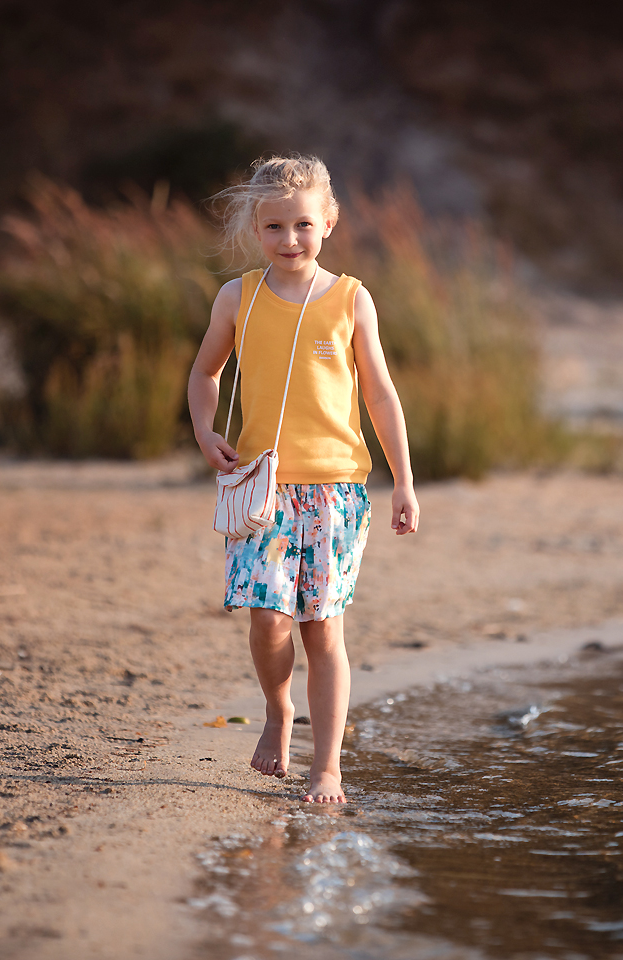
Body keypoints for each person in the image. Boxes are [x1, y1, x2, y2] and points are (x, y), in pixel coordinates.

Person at [188, 155, 419, 804]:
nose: (290, 239)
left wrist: (403, 481)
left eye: (303, 225)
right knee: (268, 621)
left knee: (322, 631)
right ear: (255, 229)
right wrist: (204, 430)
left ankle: (327, 769)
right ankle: (277, 708)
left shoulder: (351, 299)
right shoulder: (237, 297)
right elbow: (204, 373)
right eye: (274, 227)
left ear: (329, 223)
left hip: (337, 490)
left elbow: (381, 395)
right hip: (262, 488)